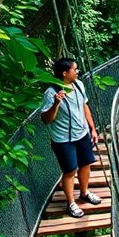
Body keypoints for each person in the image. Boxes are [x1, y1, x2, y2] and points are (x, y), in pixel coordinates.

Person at [40, 58, 102, 218]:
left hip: (82, 134)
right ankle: (71, 203)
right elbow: (47, 119)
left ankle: (84, 193)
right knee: (69, 171)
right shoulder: (51, 92)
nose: (78, 71)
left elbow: (84, 106)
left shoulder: (79, 85)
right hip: (63, 140)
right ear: (65, 73)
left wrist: (92, 129)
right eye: (75, 69)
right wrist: (55, 104)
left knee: (86, 163)